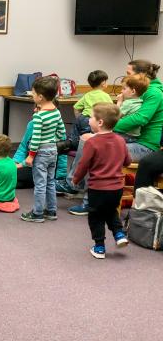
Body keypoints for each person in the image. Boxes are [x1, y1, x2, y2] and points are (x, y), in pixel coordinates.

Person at [57, 60, 163, 215]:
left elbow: (140, 119)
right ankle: (75, 184)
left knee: (98, 148)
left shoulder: (154, 93)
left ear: (141, 75)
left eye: (129, 73)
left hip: (144, 145)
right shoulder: (143, 90)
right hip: (131, 137)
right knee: (88, 139)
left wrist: (109, 126)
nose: (126, 77)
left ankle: (86, 198)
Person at [72, 103, 131, 259]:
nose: (88, 119)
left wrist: (76, 179)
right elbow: (127, 162)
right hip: (117, 188)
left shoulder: (92, 142)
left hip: (98, 188)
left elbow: (83, 164)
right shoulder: (120, 140)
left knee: (96, 216)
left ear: (100, 122)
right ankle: (119, 234)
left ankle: (99, 247)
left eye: (91, 117)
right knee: (111, 210)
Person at [21, 76, 65, 223]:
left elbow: (36, 138)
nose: (32, 96)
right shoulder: (56, 111)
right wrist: (53, 139)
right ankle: (51, 210)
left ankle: (38, 213)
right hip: (53, 150)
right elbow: (61, 131)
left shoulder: (39, 116)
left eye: (33, 94)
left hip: (40, 152)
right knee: (50, 182)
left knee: (40, 183)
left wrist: (31, 156)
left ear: (40, 97)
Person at [58, 70, 112, 153]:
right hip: (94, 120)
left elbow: (76, 107)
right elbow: (111, 110)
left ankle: (67, 144)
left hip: (83, 117)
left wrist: (79, 117)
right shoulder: (106, 96)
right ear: (103, 83)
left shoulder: (87, 95)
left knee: (74, 137)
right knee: (88, 140)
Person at [115, 74, 149, 142]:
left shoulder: (128, 103)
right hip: (134, 136)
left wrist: (119, 102)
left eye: (124, 88)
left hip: (125, 135)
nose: (121, 91)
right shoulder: (139, 101)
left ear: (133, 91)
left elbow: (115, 115)